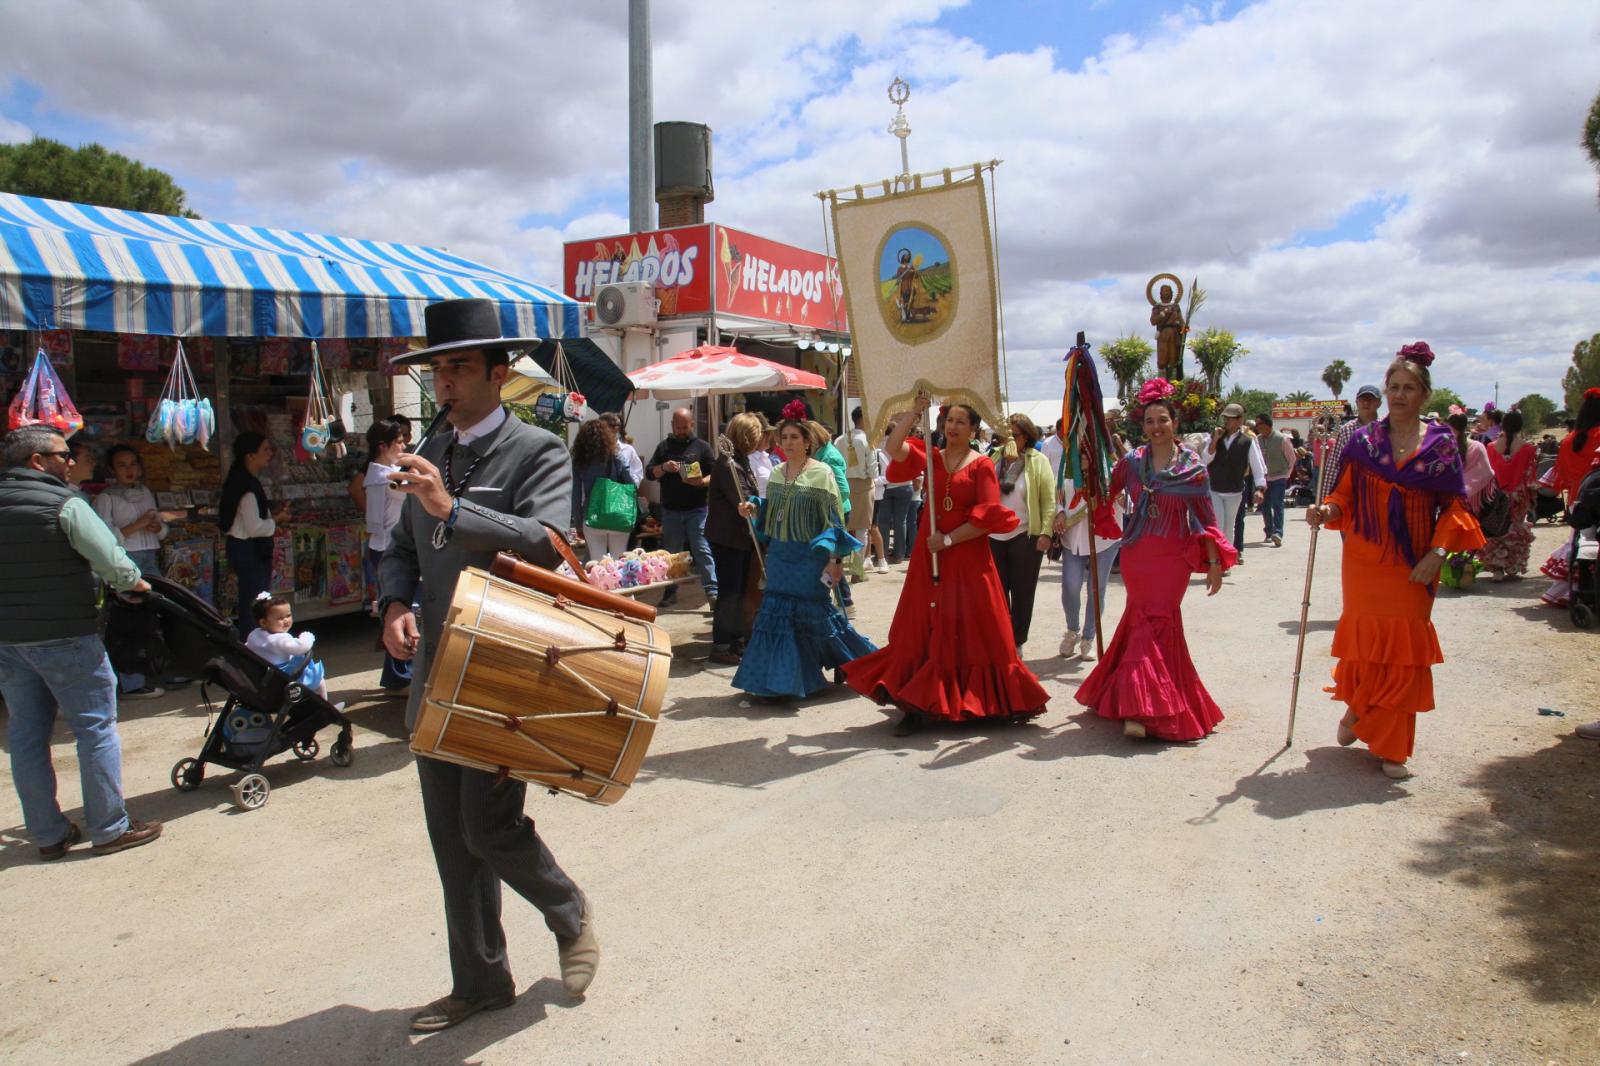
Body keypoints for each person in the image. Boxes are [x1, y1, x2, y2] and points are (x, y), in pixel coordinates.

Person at [378, 298, 598, 1033]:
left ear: (498, 375)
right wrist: (392, 606)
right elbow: (403, 551)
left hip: (504, 669)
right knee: (451, 839)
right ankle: (480, 982)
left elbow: (547, 540)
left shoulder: (538, 451)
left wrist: (450, 509)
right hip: (433, 671)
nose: (445, 380)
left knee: (488, 827)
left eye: (460, 366)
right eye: (438, 368)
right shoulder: (428, 455)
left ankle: (568, 911)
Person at [1307, 343, 1484, 780]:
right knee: (1369, 647)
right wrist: (1327, 511)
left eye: (1409, 388)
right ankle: (1358, 710)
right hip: (1364, 559)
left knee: (1404, 652)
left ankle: (1390, 743)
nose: (1399, 395)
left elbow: (1455, 507)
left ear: (1424, 394)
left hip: (1415, 563)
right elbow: (1343, 495)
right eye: (1393, 387)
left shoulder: (1442, 444)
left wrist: (1437, 554)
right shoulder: (1364, 440)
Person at [0, 425, 162, 860]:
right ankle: (110, 827)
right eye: (62, 454)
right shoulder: (65, 503)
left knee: (27, 736)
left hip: (9, 642)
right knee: (95, 729)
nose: (70, 461)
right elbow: (111, 557)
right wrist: (133, 583)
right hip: (68, 637)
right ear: (37, 461)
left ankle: (48, 835)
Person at [844, 394, 1049, 735]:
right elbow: (893, 448)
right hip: (931, 555)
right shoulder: (932, 458)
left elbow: (986, 519)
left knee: (971, 627)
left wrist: (950, 539)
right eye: (948, 421)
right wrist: (914, 412)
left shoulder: (982, 465)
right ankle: (912, 703)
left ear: (972, 429)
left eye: (960, 422)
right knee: (922, 624)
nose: (952, 426)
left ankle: (980, 701)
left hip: (967, 556)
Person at [1075, 380, 1235, 741]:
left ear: (1174, 423)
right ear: (1142, 426)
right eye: (1149, 421)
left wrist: (1213, 564)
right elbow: (1105, 491)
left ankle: (1147, 703)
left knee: (1160, 621)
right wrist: (1086, 468)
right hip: (1138, 555)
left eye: (1162, 419)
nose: (1156, 426)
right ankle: (1138, 706)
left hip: (1173, 558)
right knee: (1142, 620)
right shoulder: (1132, 463)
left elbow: (1206, 519)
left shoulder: (1194, 466)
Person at [731, 418, 875, 698]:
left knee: (814, 616)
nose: (787, 442)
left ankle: (853, 662)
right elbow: (772, 510)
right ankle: (782, 682)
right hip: (780, 555)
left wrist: (834, 562)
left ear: (808, 442)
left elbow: (833, 521)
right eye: (783, 437)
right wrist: (753, 507)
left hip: (810, 558)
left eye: (794, 437)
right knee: (778, 616)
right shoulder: (775, 472)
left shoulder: (822, 473)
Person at [94, 444, 171, 699]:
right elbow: (104, 537)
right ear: (111, 469)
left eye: (132, 464)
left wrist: (156, 527)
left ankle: (158, 670)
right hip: (126, 560)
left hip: (150, 556)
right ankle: (132, 681)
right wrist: (136, 525)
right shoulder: (106, 498)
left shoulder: (145, 492)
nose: (129, 470)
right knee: (130, 621)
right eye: (122, 465)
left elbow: (162, 532)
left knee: (156, 616)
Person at [988, 415, 1055, 649]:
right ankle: (1001, 640)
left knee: (1023, 592)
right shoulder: (993, 458)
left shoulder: (1038, 461)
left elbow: (1048, 500)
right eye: (1004, 436)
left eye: (1013, 436)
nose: (1008, 440)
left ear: (1025, 437)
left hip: (1025, 535)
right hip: (993, 536)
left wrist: (1046, 532)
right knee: (996, 593)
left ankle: (1017, 642)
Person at [646, 408, 717, 609]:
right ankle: (670, 592)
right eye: (678, 427)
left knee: (702, 549)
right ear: (672, 425)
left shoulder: (702, 447)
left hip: (697, 509)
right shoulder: (664, 447)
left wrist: (701, 482)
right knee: (671, 554)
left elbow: (716, 474)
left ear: (692, 424)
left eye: (685, 427)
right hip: (671, 510)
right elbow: (649, 473)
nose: (681, 431)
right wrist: (663, 468)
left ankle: (712, 591)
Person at [706, 413, 762, 665]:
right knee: (729, 593)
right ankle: (721, 646)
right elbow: (741, 498)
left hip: (739, 538)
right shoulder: (728, 464)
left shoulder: (739, 461)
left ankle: (736, 640)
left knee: (739, 592)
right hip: (727, 538)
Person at [219, 432, 288, 639]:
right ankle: (252, 643)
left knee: (255, 597)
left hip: (245, 548)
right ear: (250, 455)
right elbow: (254, 527)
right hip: (248, 549)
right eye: (265, 449)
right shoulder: (246, 486)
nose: (269, 453)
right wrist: (277, 520)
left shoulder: (244, 481)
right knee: (254, 600)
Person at [1538, 388, 1600, 607]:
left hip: (1578, 501)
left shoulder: (1569, 441)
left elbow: (1560, 475)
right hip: (1596, 500)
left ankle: (1575, 590)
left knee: (1580, 545)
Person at [362, 418, 411, 691]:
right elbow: (375, 521)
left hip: (395, 548)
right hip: (386, 550)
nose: (403, 444)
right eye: (398, 441)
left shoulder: (392, 471)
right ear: (383, 445)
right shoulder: (380, 476)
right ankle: (398, 676)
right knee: (396, 613)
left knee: (403, 613)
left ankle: (397, 675)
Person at [1056, 470, 1122, 661]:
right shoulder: (1067, 468)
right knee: (1070, 585)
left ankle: (1088, 638)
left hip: (1104, 540)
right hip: (1073, 537)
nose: (1083, 456)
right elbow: (1058, 494)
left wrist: (1122, 498)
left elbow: (1128, 503)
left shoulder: (1111, 469)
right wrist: (1059, 512)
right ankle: (1072, 630)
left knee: (1097, 589)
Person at [1198, 403, 1266, 566]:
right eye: (1225, 418)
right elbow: (1205, 459)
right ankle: (1219, 561)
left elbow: (1258, 466)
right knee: (1218, 525)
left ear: (1240, 420)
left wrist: (1259, 488)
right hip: (1214, 488)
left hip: (1235, 491)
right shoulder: (1214, 436)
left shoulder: (1247, 441)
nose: (1227, 421)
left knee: (1229, 528)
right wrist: (1215, 439)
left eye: (1231, 418)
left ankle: (1225, 560)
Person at [1481, 410, 1538, 581]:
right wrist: (1532, 498)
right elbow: (1530, 475)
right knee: (1515, 529)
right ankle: (1511, 563)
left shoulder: (1491, 447)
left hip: (1496, 495)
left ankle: (1496, 568)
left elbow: (1487, 474)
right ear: (1520, 426)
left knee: (1495, 529)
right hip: (1518, 496)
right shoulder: (1528, 448)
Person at [570, 418, 635, 561]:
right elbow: (631, 484)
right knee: (619, 562)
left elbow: (575, 495)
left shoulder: (579, 461)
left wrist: (579, 523)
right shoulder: (616, 456)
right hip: (618, 514)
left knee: (597, 564)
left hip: (592, 517)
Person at [246, 593, 330, 700]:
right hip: (284, 680)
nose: (286, 620)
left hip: (266, 680)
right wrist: (307, 636)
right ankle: (326, 709)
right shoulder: (280, 639)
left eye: (288, 615)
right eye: (280, 618)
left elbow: (247, 648)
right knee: (318, 680)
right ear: (263, 622)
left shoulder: (254, 635)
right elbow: (300, 648)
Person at [836, 407, 877, 586]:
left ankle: (847, 566)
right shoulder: (867, 440)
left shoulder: (839, 440)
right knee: (862, 529)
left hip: (843, 484)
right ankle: (857, 569)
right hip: (863, 483)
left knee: (845, 527)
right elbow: (873, 468)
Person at [1318, 384, 1382, 500]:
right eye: (1363, 399)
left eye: (1370, 399)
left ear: (1379, 403)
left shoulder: (1387, 429)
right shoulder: (1346, 430)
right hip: (1353, 493)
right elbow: (1333, 466)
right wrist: (1325, 500)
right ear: (1357, 402)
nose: (1366, 403)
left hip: (1380, 493)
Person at [1253, 413, 1297, 547]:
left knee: (1277, 504)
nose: (1257, 427)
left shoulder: (1282, 439)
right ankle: (1269, 531)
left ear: (1267, 424)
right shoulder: (1257, 440)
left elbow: (1292, 458)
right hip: (1264, 479)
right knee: (1265, 505)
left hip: (1279, 477)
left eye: (1259, 424)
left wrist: (1286, 474)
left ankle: (1278, 533)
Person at [875, 430, 915, 564]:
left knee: (883, 522)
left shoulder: (881, 444)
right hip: (905, 485)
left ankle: (883, 554)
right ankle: (899, 555)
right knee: (901, 521)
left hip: (886, 485)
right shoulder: (907, 444)